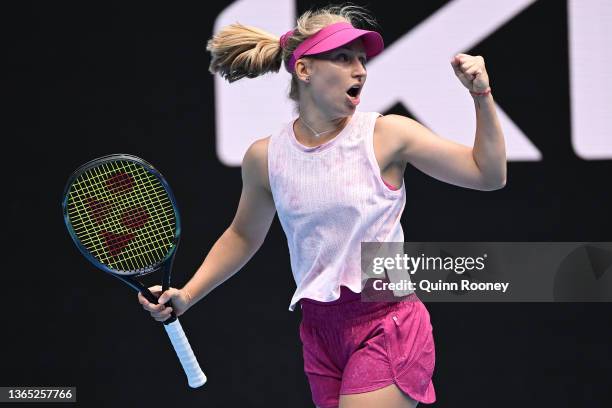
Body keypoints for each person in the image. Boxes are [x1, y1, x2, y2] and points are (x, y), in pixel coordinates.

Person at [138, 4, 506, 407]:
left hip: (387, 320)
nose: (360, 70)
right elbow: (242, 235)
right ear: (304, 70)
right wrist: (187, 295)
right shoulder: (266, 157)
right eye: (343, 57)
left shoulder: (387, 135)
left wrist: (481, 95)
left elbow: (487, 175)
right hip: (320, 331)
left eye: (362, 60)